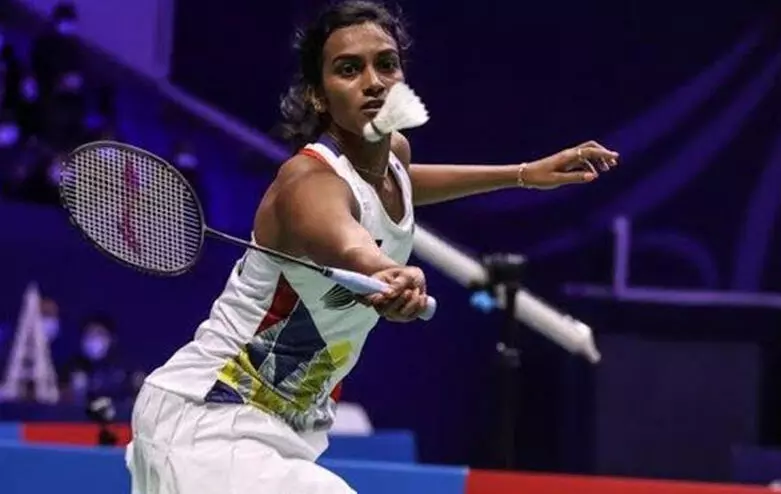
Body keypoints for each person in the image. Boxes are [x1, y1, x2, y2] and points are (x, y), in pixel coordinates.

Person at [126, 1, 619, 493]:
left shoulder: (392, 157)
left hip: (278, 431)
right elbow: (346, 239)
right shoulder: (308, 183)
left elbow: (398, 183)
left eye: (386, 64)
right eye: (348, 69)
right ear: (319, 95)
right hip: (211, 418)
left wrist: (523, 174)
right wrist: (384, 270)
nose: (374, 82)